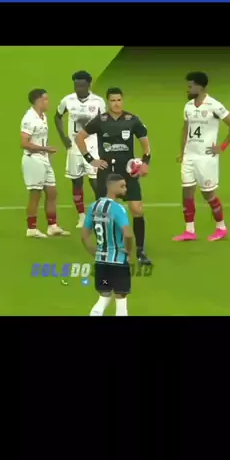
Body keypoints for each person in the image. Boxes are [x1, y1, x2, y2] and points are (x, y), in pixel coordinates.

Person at [76, 87, 152, 266]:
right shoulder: (100, 120)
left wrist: (145, 163)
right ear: (107, 102)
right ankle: (106, 248)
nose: (116, 103)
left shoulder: (132, 120)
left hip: (128, 173)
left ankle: (140, 251)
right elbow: (80, 138)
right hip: (107, 173)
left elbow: (146, 146)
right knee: (104, 212)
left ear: (122, 100)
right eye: (112, 100)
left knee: (137, 209)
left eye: (119, 100)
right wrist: (91, 160)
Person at [173, 71, 230, 242]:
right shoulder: (188, 106)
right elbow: (185, 129)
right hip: (189, 156)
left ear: (200, 87)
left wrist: (222, 146)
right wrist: (182, 152)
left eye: (190, 86)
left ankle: (221, 228)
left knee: (208, 194)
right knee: (187, 192)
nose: (187, 89)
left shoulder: (214, 105)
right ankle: (189, 231)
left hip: (206, 158)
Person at [55, 71, 106, 229]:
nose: (79, 89)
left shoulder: (98, 102)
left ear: (89, 85)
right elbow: (57, 116)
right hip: (74, 149)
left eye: (82, 85)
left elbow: (105, 122)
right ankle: (82, 216)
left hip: (93, 147)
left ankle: (99, 215)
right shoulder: (67, 100)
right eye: (76, 85)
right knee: (76, 182)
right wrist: (63, 137)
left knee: (96, 182)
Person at [20, 89, 71, 239]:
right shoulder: (29, 119)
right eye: (45, 99)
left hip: (44, 159)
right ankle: (31, 228)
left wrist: (47, 154)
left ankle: (52, 226)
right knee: (35, 194)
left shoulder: (43, 117)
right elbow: (24, 143)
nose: (48, 102)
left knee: (52, 192)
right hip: (33, 159)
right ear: (38, 101)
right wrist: (45, 149)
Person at [82, 174, 134, 316]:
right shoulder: (117, 208)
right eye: (122, 186)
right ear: (111, 187)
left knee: (104, 296)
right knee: (121, 297)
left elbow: (84, 236)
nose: (125, 189)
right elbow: (128, 234)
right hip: (118, 262)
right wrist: (129, 252)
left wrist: (94, 253)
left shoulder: (93, 207)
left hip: (101, 263)